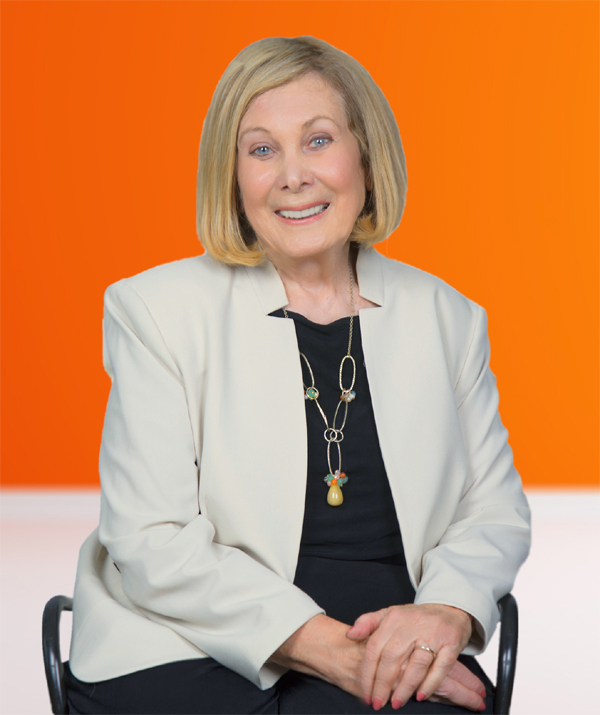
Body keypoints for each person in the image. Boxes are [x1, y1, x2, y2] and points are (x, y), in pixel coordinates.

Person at [64, 36, 531, 714]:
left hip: (388, 638)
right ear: (232, 177)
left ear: (365, 155)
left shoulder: (448, 317)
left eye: (318, 141)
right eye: (261, 150)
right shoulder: (154, 310)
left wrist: (446, 611)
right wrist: (328, 648)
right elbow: (151, 538)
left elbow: (492, 511)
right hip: (185, 640)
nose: (293, 175)